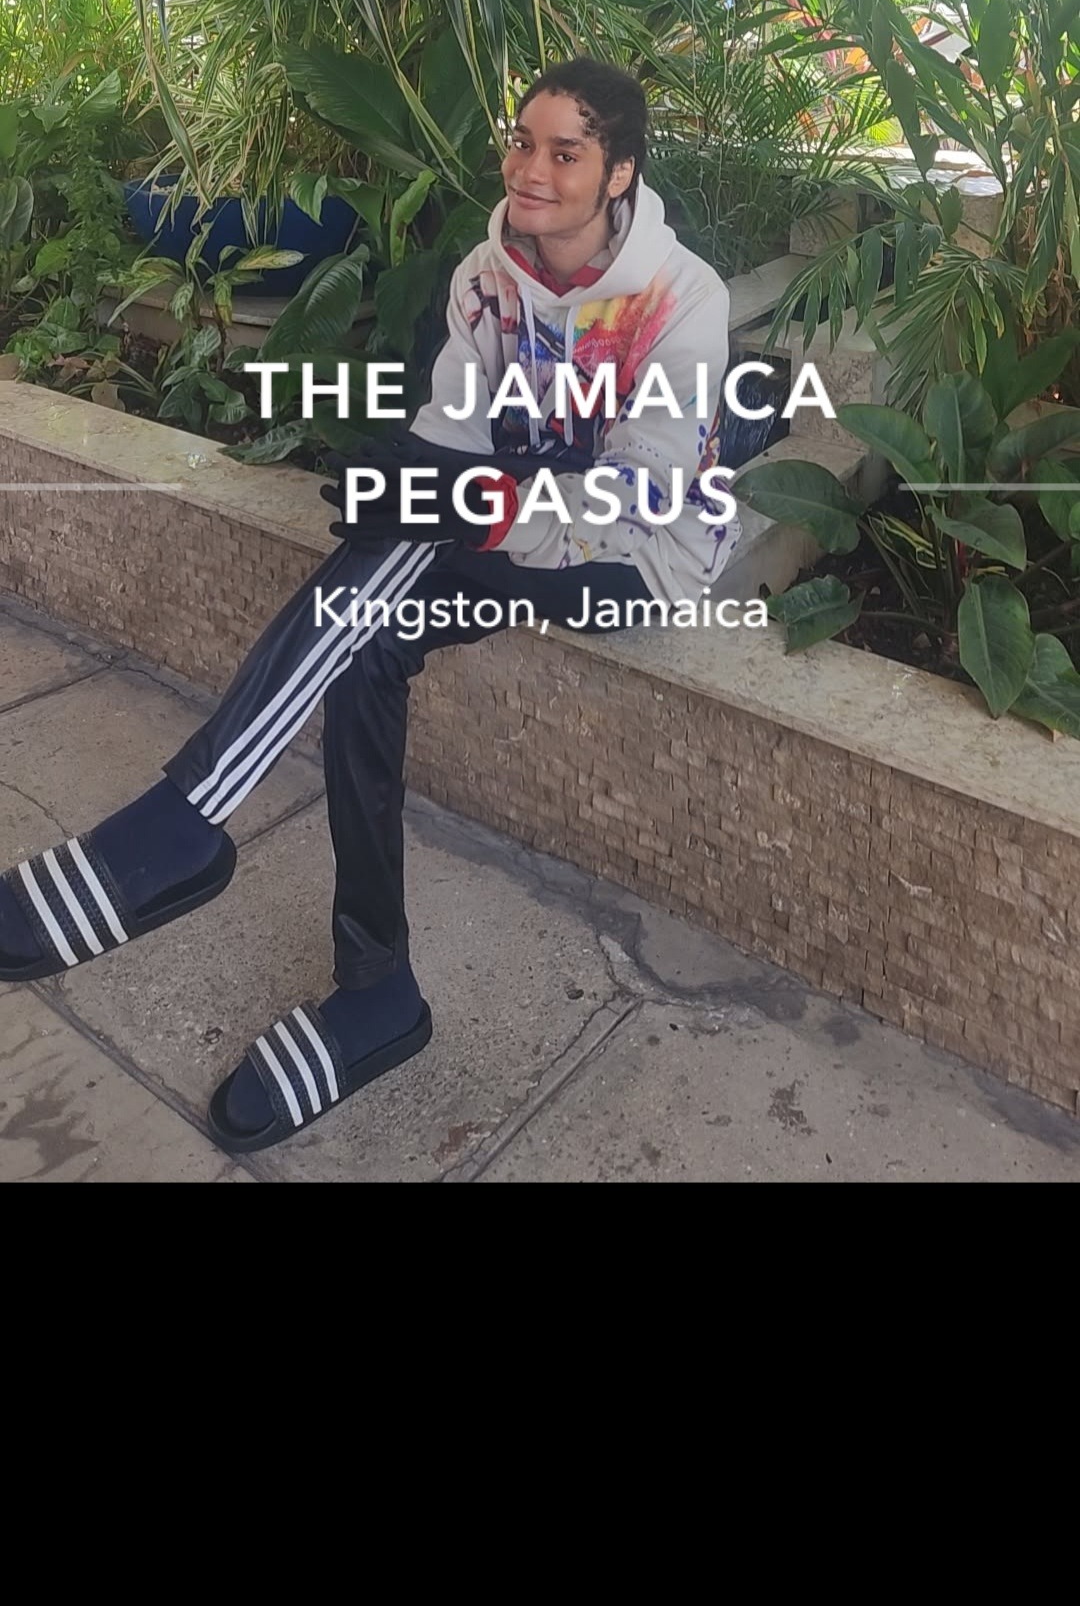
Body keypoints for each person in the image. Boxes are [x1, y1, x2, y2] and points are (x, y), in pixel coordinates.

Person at [0, 59, 739, 1152]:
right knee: (373, 621)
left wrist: (465, 502)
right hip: (517, 514)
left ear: (620, 171)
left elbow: (638, 499)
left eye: (566, 152)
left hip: (640, 559)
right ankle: (375, 987)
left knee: (407, 539)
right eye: (522, 141)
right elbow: (454, 428)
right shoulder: (488, 271)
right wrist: (409, 483)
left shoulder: (684, 297)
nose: (531, 169)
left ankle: (188, 819)